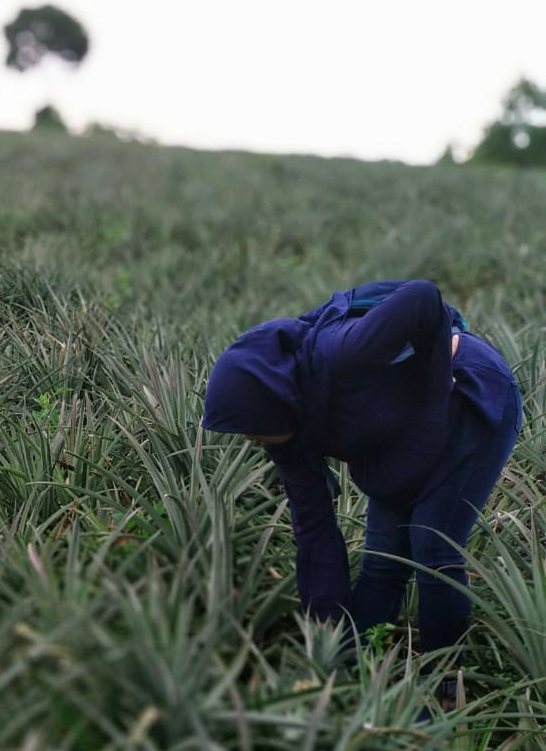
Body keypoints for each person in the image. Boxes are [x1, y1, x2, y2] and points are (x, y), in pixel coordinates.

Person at [201, 279, 521, 660]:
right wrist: (329, 630)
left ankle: (444, 685)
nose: (253, 438)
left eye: (252, 426)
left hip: (470, 393)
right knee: (382, 562)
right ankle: (358, 671)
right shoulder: (286, 433)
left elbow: (422, 299)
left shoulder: (341, 355)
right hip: (397, 430)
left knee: (433, 550)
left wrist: (434, 390)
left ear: (270, 401)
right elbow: (313, 527)